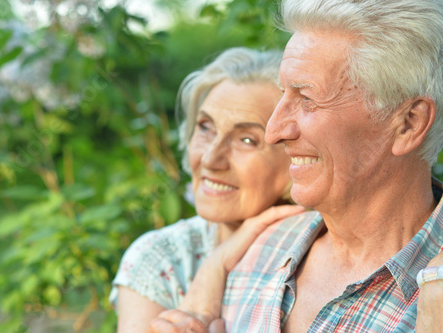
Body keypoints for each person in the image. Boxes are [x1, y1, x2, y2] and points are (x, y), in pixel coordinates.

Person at [149, 0, 443, 332]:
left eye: (307, 99)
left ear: (408, 123)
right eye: (282, 94)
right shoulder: (252, 250)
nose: (274, 131)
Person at [109, 47, 305, 332]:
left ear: (297, 155)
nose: (210, 159)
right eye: (205, 127)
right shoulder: (162, 258)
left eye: (247, 140)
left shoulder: (323, 256)